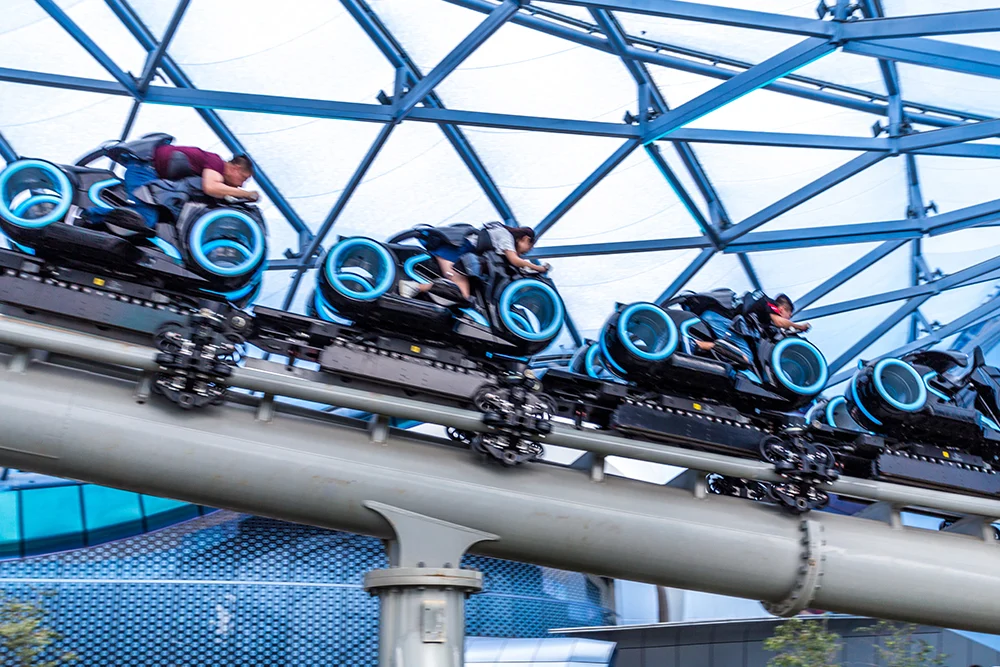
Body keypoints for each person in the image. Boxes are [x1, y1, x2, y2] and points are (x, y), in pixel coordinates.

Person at [99, 144, 258, 232]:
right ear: (235, 168)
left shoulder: (214, 168)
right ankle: (89, 214)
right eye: (243, 178)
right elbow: (211, 187)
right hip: (145, 170)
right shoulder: (216, 162)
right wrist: (245, 194)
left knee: (152, 220)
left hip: (148, 172)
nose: (241, 184)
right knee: (146, 218)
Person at [398, 223, 550, 301]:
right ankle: (414, 287)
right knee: (460, 293)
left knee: (463, 295)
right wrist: (538, 267)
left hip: (456, 256)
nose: (525, 252)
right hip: (453, 254)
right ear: (525, 239)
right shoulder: (506, 237)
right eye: (528, 248)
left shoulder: (500, 234)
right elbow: (514, 260)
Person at [692, 291, 810, 363]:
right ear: (782, 309)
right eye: (788, 316)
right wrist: (799, 327)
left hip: (717, 318)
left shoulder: (762, 316)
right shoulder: (770, 303)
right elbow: (779, 322)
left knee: (736, 350)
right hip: (721, 320)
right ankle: (699, 345)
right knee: (746, 357)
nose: (788, 319)